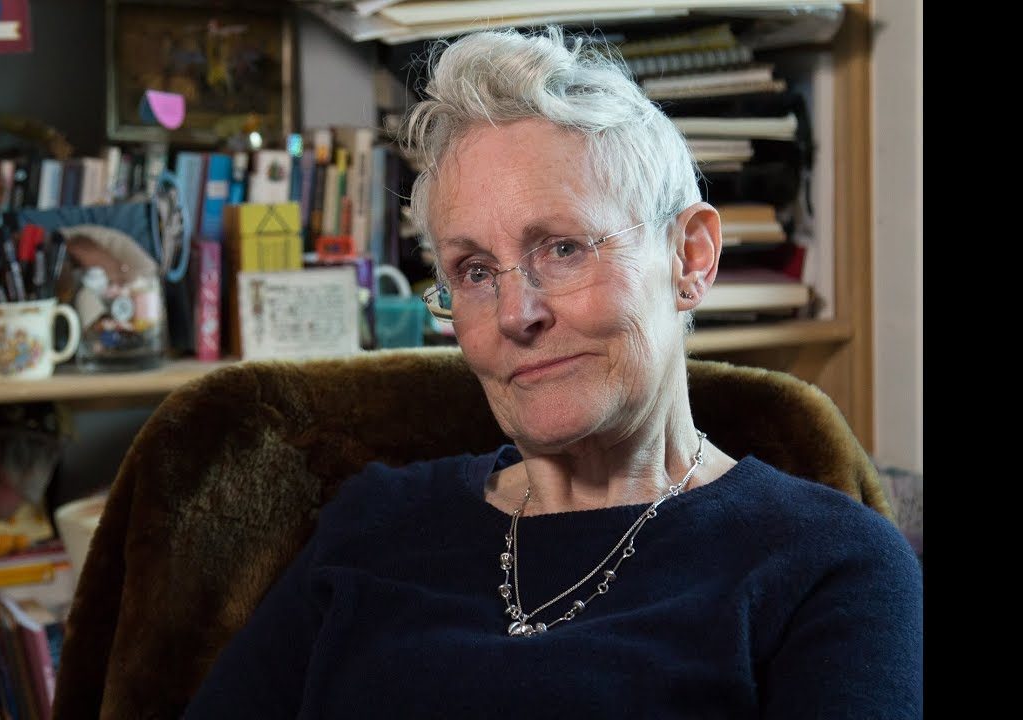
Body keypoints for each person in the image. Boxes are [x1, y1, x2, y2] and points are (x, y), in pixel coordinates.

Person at [184, 26, 922, 718]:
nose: (516, 313)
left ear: (690, 258)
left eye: (563, 248)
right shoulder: (374, 523)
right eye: (474, 270)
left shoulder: (827, 566)